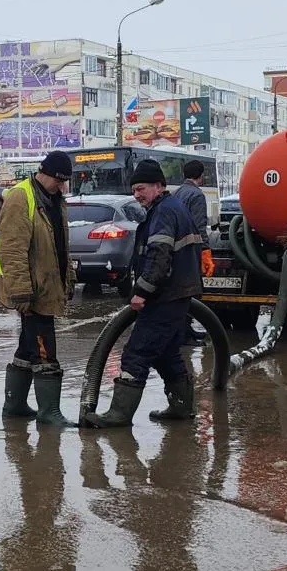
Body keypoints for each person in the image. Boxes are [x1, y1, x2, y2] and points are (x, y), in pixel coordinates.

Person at [84, 159, 202, 428]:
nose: (137, 195)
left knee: (136, 353)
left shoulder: (164, 212)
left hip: (165, 295)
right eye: (134, 189)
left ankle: (119, 415)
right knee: (167, 353)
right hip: (176, 293)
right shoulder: (171, 208)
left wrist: (142, 292)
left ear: (159, 186)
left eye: (142, 188)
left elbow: (159, 257)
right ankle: (181, 408)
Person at [0, 150, 77, 427]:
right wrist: (20, 291)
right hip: (31, 291)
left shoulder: (54, 199)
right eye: (59, 180)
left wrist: (69, 279)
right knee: (45, 350)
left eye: (65, 182)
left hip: (46, 286)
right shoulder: (21, 196)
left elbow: (59, 245)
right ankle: (48, 412)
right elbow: (12, 250)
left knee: (28, 346)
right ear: (46, 174)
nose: (62, 186)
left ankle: (15, 405)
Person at [171, 160, 209, 346]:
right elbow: (199, 226)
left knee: (181, 291)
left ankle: (186, 330)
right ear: (200, 176)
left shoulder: (177, 192)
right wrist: (205, 250)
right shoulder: (197, 195)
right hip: (191, 248)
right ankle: (184, 335)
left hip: (176, 248)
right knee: (190, 292)